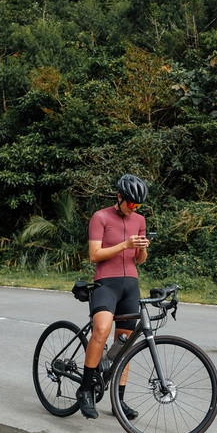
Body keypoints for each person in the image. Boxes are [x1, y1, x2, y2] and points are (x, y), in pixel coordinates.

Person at [76, 174, 151, 420]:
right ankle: (85, 390)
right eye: (131, 203)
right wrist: (125, 245)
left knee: (126, 341)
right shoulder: (101, 217)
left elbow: (140, 260)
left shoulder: (139, 220)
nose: (134, 208)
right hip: (106, 283)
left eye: (138, 205)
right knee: (102, 329)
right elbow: (94, 255)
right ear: (119, 197)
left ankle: (118, 400)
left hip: (131, 284)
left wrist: (141, 248)